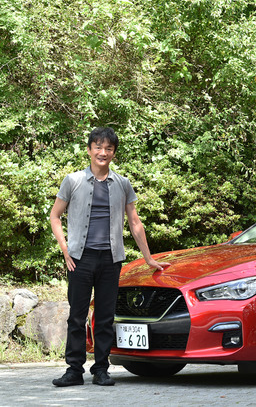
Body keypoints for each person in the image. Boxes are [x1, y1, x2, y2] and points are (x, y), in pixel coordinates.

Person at [50, 127, 170, 387]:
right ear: (89, 149)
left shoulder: (123, 184)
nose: (102, 153)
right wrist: (64, 248)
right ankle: (73, 370)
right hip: (80, 259)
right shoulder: (73, 181)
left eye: (108, 149)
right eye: (98, 147)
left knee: (104, 317)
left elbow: (135, 223)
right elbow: (54, 216)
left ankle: (101, 369)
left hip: (111, 259)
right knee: (77, 316)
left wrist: (149, 259)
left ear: (114, 153)